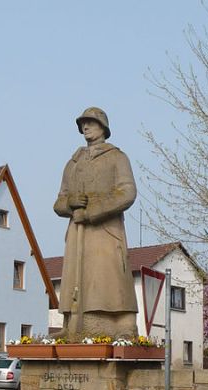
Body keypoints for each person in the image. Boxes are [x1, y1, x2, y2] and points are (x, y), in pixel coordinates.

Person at [53, 107, 138, 339]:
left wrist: (92, 211)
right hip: (76, 231)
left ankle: (112, 326)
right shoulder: (73, 162)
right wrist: (70, 203)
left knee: (106, 279)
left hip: (105, 230)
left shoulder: (117, 157)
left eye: (90, 123)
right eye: (83, 124)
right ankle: (71, 325)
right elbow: (59, 201)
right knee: (74, 277)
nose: (86, 127)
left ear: (103, 127)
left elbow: (127, 193)